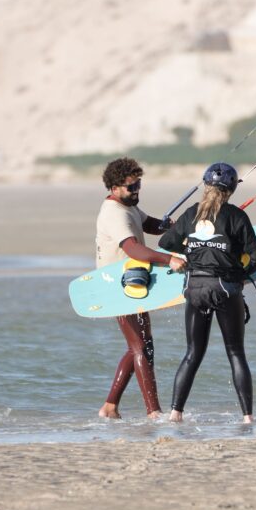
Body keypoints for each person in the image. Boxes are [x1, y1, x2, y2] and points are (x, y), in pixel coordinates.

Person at [159, 162, 256, 424]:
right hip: (225, 288)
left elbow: (166, 242)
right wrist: (238, 277)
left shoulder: (192, 214)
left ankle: (175, 414)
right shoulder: (237, 216)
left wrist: (193, 249)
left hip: (194, 287)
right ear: (230, 190)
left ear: (206, 186)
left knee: (193, 353)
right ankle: (248, 418)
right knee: (235, 352)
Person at [96, 157, 186, 419]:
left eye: (138, 185)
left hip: (135, 282)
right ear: (114, 188)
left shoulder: (129, 205)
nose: (136, 191)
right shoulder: (114, 213)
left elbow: (150, 225)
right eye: (130, 187)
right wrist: (169, 259)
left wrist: (177, 227)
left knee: (142, 345)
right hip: (117, 288)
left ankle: (110, 407)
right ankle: (153, 412)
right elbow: (133, 248)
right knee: (141, 347)